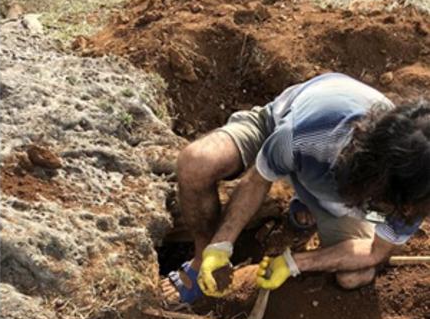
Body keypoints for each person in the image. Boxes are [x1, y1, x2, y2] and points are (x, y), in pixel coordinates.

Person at [164, 72, 430, 301]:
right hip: (277, 131)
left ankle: (309, 203)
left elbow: (374, 251)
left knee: (354, 276)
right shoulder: (308, 135)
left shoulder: (418, 188)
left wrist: (292, 263)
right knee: (196, 163)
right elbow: (258, 179)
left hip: (333, 193)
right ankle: (200, 261)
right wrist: (219, 246)